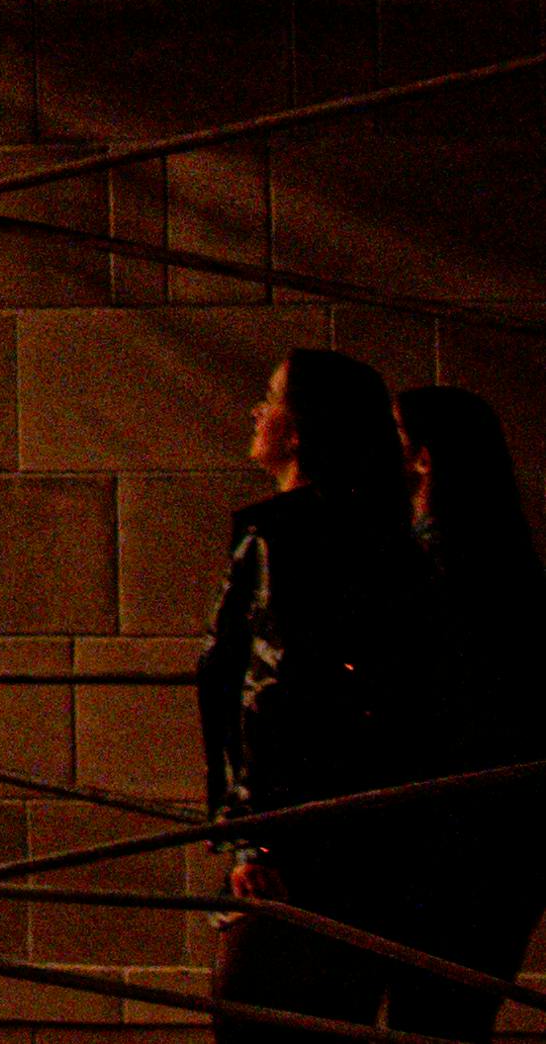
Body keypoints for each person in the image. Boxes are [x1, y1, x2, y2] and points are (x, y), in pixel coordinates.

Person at [213, 347, 441, 1044]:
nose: (257, 411)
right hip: (369, 835)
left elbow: (268, 687)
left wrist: (254, 839)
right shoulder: (390, 537)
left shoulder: (282, 536)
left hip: (296, 835)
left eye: (271, 397)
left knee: (252, 1008)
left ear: (300, 429)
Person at [392, 386, 545, 1038]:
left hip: (456, 836)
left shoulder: (438, 565)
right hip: (493, 836)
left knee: (431, 1014)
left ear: (423, 459)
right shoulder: (500, 562)